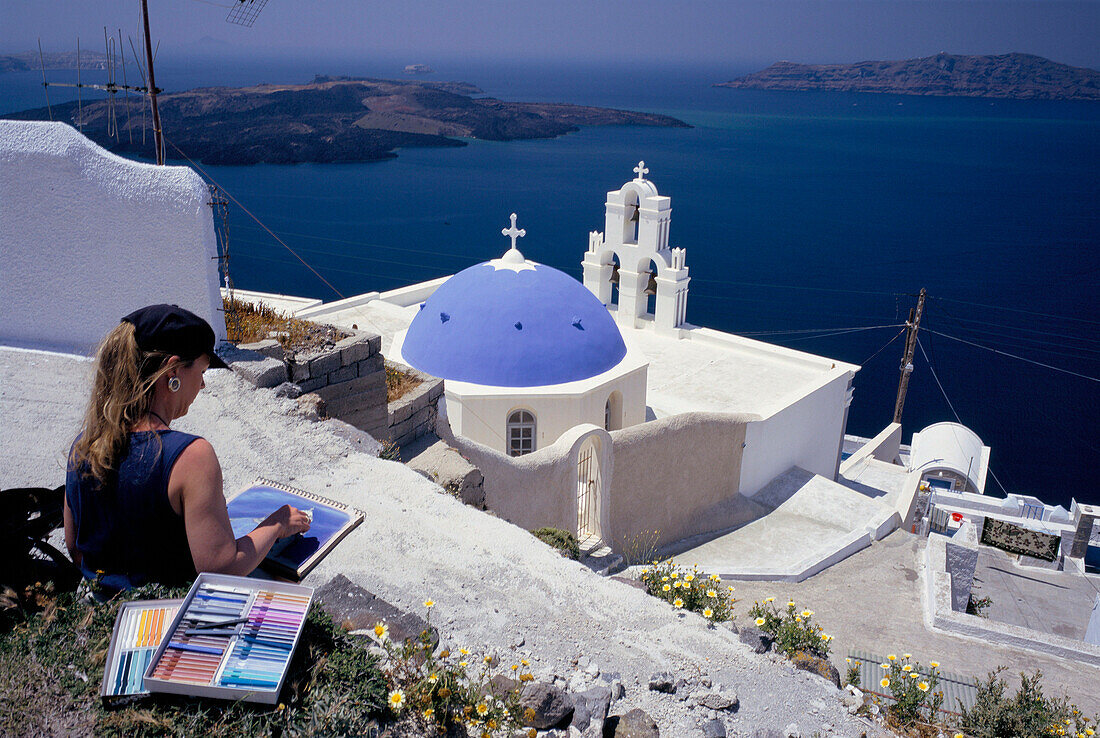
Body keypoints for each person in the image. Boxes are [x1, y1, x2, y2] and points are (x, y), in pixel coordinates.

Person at [64, 304, 311, 591]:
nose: (203, 385)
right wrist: (277, 523)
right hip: (166, 620)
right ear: (173, 372)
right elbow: (221, 567)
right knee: (281, 577)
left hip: (103, 617)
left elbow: (76, 547)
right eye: (202, 371)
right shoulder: (191, 456)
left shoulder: (85, 445)